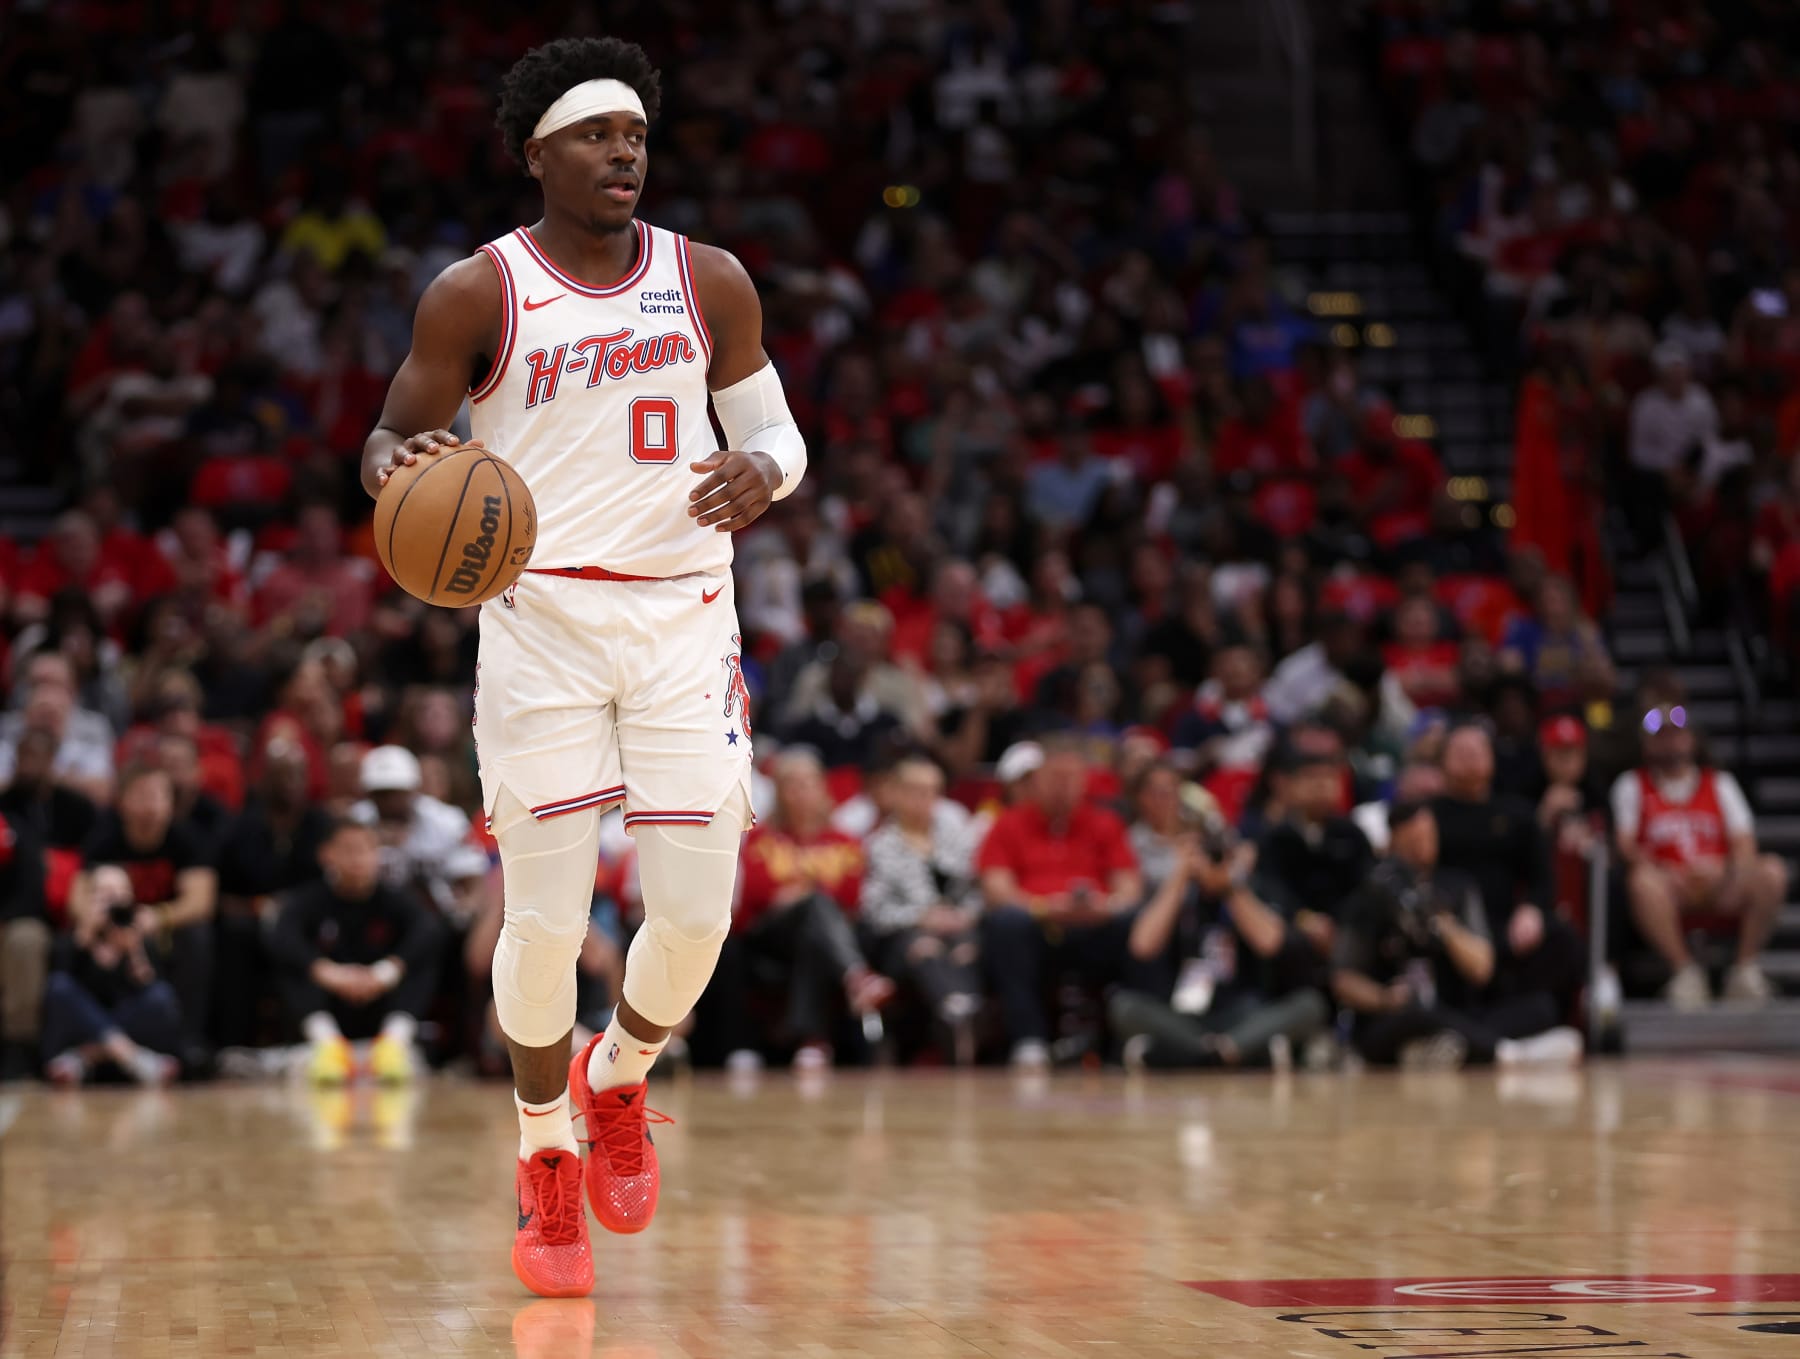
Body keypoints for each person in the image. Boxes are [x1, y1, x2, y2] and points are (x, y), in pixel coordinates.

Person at [362, 37, 810, 1294]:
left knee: (697, 914)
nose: (625, 153)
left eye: (637, 136)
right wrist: (393, 469)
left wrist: (764, 471)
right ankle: (544, 1153)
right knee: (547, 919)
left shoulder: (709, 279)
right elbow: (393, 433)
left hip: (682, 623)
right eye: (596, 136)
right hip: (540, 623)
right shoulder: (476, 293)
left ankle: (619, 1077)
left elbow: (780, 435)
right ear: (536, 156)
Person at [1334, 801, 1583, 1069]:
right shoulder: (1370, 893)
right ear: (1394, 840)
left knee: (1540, 1007)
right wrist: (1383, 998)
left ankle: (1445, 1049)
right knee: (1417, 1012)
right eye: (1414, 838)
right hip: (1396, 1016)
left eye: (1429, 835)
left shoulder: (1458, 887)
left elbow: (1482, 969)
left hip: (1457, 1011)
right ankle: (1505, 1053)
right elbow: (1342, 980)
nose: (1423, 845)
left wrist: (1442, 923)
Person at [976, 736, 1147, 1069]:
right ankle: (1029, 1040)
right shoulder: (1008, 823)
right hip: (1037, 928)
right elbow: (996, 889)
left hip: (1095, 927)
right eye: (1055, 777)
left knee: (1138, 921)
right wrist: (1044, 907)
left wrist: (1104, 906)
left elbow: (1129, 888)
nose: (1063, 787)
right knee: (1006, 923)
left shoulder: (1105, 823)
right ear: (1036, 779)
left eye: (1071, 778)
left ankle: (1134, 1038)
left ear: (1085, 780)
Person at [718, 749, 891, 1069]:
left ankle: (812, 1042)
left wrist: (801, 892)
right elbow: (757, 891)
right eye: (792, 785)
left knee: (813, 923)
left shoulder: (844, 840)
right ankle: (855, 977)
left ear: (822, 789)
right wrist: (807, 893)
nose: (801, 793)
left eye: (808, 784)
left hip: (820, 934)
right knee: (814, 906)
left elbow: (852, 896)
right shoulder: (761, 838)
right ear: (780, 793)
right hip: (769, 934)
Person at [1612, 704, 1788, 1008]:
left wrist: (1726, 871)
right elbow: (1625, 846)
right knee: (1641, 881)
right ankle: (1684, 971)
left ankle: (1744, 970)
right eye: (1661, 735)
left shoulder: (1720, 782)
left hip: (1720, 883)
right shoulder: (1631, 785)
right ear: (1648, 743)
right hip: (1668, 887)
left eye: (1676, 734)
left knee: (1772, 871)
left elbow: (1744, 842)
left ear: (1691, 739)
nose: (1670, 742)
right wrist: (1664, 872)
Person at [268, 812, 443, 1085]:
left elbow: (429, 930)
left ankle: (393, 1044)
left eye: (366, 849)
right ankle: (327, 1047)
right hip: (330, 1003)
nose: (358, 859)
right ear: (326, 855)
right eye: (348, 850)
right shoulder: (309, 899)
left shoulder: (395, 898)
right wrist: (325, 971)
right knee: (291, 966)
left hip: (380, 1000)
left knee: (423, 958)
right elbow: (280, 935)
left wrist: (387, 971)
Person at [1432, 722, 1585, 1027]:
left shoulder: (1519, 815)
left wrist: (1532, 910)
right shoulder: (1428, 815)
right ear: (1443, 762)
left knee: (1563, 939)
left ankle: (1525, 1017)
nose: (1469, 759)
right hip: (1450, 926)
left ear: (1492, 759)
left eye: (1477, 751)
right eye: (1460, 752)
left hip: (1504, 926)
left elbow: (1542, 877)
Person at [73, 764, 217, 1064]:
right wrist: (95, 920)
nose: (149, 804)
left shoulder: (188, 838)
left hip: (164, 930)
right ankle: (88, 1040)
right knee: (69, 947)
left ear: (170, 803)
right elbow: (78, 896)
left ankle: (187, 1039)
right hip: (111, 932)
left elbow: (201, 900)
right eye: (141, 795)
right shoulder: (103, 837)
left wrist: (158, 917)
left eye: (157, 795)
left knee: (197, 936)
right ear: (122, 802)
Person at [857, 755, 983, 1059]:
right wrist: (920, 918)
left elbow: (976, 891)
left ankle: (959, 1015)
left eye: (930, 791)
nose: (923, 799)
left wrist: (964, 915)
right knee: (925, 946)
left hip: (958, 929)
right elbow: (873, 910)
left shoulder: (957, 836)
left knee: (968, 948)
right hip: (901, 937)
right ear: (895, 792)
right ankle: (960, 1013)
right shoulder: (879, 844)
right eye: (914, 790)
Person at [40, 865, 183, 1087]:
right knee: (59, 986)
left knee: (161, 995)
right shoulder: (73, 939)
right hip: (83, 1029)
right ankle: (131, 1056)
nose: (114, 902)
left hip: (123, 1025)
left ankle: (85, 1057)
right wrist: (84, 937)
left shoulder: (140, 939)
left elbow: (153, 993)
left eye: (121, 894)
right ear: (90, 899)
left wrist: (135, 951)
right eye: (106, 894)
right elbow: (60, 994)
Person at [351, 745, 473, 917]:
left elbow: (472, 878)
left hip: (435, 916)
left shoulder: (447, 821)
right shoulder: (355, 821)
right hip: (369, 915)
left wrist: (465, 911)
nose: (390, 801)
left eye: (397, 793)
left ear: (413, 789)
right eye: (382, 794)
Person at [0, 806, 49, 1080]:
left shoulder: (14, 824)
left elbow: (33, 885)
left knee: (26, 939)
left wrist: (5, 919)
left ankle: (19, 1049)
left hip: (10, 923)